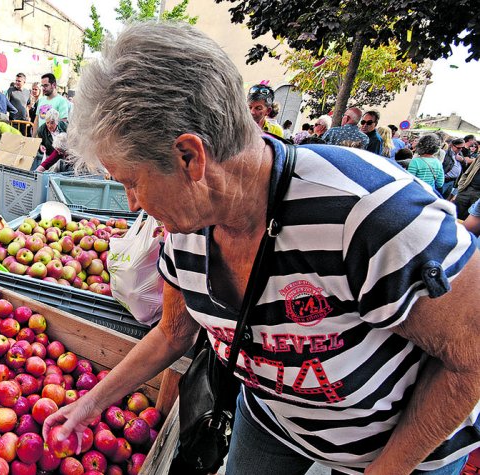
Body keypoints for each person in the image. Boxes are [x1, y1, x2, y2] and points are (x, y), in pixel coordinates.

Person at [46, 21, 480, 475]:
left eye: (131, 182)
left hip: (399, 449)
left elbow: (469, 357)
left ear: (190, 157)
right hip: (275, 418)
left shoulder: (369, 212)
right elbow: (174, 333)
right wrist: (89, 405)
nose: (132, 203)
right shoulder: (186, 225)